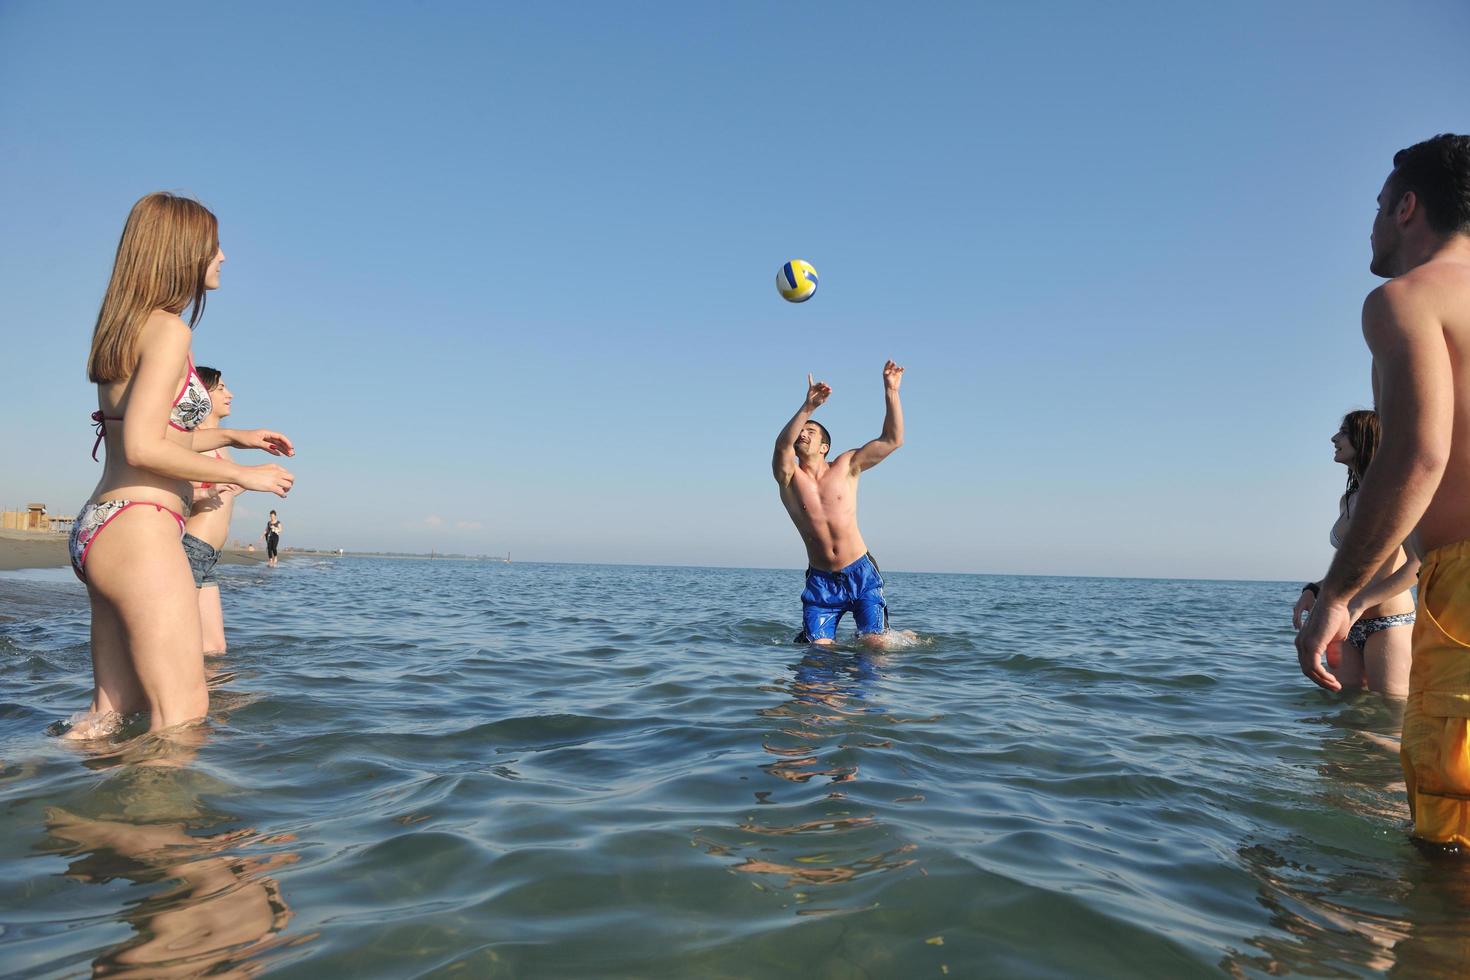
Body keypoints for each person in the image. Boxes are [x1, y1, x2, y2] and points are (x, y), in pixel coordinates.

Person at [1295, 134, 1470, 847]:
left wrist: (1337, 596)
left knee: (1447, 836)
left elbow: (1417, 455)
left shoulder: (1405, 300)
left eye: (1375, 207)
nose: (1369, 225)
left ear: (1406, 207)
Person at [70, 192, 294, 735]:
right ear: (182, 252)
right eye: (213, 246)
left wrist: (234, 437)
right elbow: (147, 448)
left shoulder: (124, 327)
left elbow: (144, 436)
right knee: (183, 718)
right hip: (141, 530)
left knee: (109, 717)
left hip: (103, 523)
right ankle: (164, 822)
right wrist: (244, 477)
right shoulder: (170, 330)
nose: (223, 257)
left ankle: (40, 789)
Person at [772, 360, 904, 647]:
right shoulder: (789, 478)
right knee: (817, 660)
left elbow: (893, 440)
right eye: (800, 431)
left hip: (860, 572)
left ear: (824, 447)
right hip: (821, 583)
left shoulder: (846, 465)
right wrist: (808, 408)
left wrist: (891, 391)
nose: (802, 434)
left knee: (874, 646)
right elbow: (781, 447)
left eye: (811, 431)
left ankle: (898, 636)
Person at [1292, 410, 1415, 696]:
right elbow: (1354, 567)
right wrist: (1313, 590)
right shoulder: (1347, 501)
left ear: (1366, 437)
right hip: (1347, 620)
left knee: (1389, 716)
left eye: (1344, 432)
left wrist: (1359, 603)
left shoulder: (1397, 493)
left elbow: (1416, 565)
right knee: (1345, 714)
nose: (1335, 438)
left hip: (1387, 622)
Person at [182, 366, 244, 654]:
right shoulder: (191, 440)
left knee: (215, 648)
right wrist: (206, 491)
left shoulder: (219, 442)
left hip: (208, 556)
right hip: (190, 550)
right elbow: (172, 493)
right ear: (202, 393)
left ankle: (210, 698)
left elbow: (230, 487)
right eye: (221, 388)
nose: (229, 394)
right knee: (181, 644)